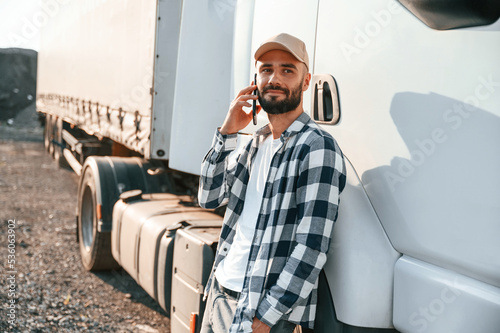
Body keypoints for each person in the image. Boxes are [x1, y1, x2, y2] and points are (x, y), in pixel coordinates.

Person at [198, 33, 346, 333]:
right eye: (266, 69)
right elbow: (208, 198)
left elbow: (312, 246)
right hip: (221, 291)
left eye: (287, 70)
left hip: (259, 310)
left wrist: (266, 317)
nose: (274, 78)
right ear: (255, 79)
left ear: (305, 82)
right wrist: (227, 132)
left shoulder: (317, 147)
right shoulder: (256, 142)